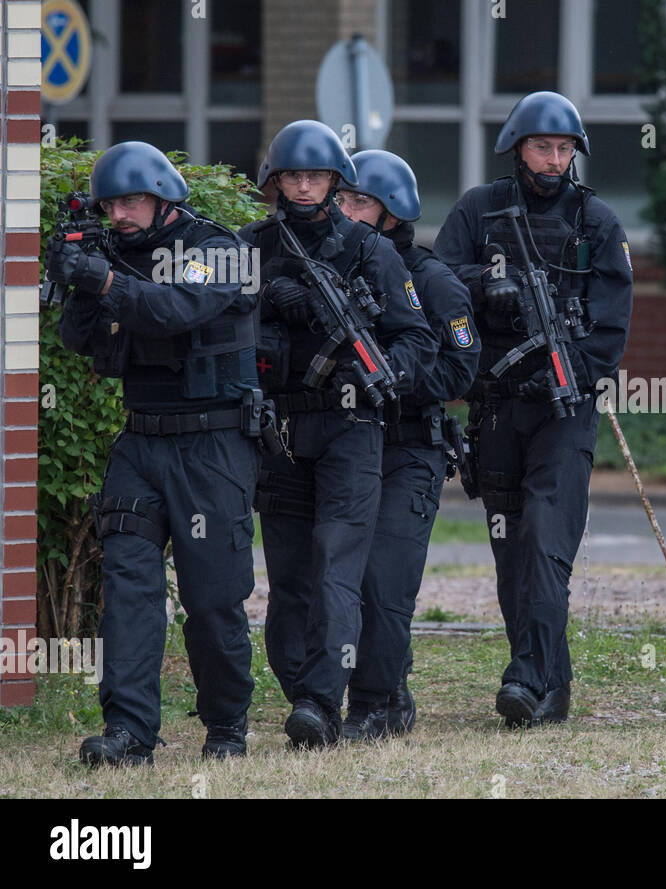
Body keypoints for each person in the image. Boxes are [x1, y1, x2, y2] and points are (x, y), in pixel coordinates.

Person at [53, 141, 262, 764]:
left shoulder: (218, 251)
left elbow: (172, 309)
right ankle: (129, 734)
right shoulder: (114, 255)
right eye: (113, 202)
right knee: (129, 590)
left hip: (213, 444)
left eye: (134, 199)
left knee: (211, 596)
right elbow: (76, 337)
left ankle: (226, 726)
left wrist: (103, 278)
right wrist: (77, 276)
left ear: (165, 197)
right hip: (140, 442)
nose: (121, 213)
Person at [434, 91, 633, 727]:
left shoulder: (595, 221)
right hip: (495, 404)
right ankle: (551, 683)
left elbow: (611, 326)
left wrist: (571, 373)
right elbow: (432, 283)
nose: (553, 159)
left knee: (547, 544)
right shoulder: (478, 210)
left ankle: (524, 675)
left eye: (563, 148)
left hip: (562, 409)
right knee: (511, 549)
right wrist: (484, 287)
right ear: (517, 148)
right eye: (542, 147)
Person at [240, 120, 437, 745]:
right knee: (290, 579)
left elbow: (418, 339)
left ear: (334, 182)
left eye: (316, 176)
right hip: (281, 429)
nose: (303, 186)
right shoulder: (248, 247)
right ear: (276, 182)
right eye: (293, 176)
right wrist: (272, 297)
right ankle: (302, 689)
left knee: (336, 568)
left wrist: (387, 372)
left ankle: (323, 702)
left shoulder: (369, 251)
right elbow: (210, 324)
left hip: (351, 424)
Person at [335, 149, 480, 739]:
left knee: (384, 581)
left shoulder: (431, 278)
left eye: (359, 201)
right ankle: (376, 687)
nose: (345, 211)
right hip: (342, 446)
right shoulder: (330, 267)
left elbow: (460, 367)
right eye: (340, 199)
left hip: (408, 449)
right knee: (333, 582)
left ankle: (376, 704)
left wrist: (393, 378)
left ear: (393, 212)